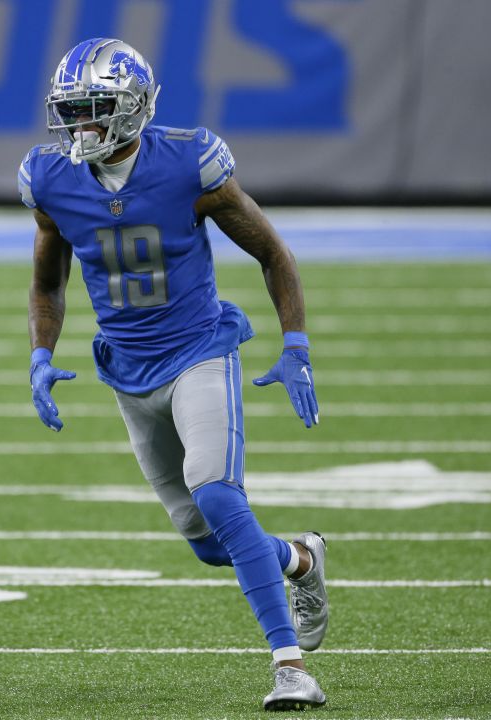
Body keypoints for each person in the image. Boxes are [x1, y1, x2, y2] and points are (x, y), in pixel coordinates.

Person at [20, 38, 329, 711]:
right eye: (73, 113)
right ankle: (300, 559)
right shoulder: (50, 179)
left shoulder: (191, 162)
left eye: (97, 111)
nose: (83, 128)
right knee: (211, 548)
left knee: (218, 495)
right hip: (128, 372)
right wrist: (42, 355)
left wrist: (295, 343)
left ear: (132, 109)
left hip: (198, 350)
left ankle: (289, 666)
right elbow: (49, 282)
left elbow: (272, 253)